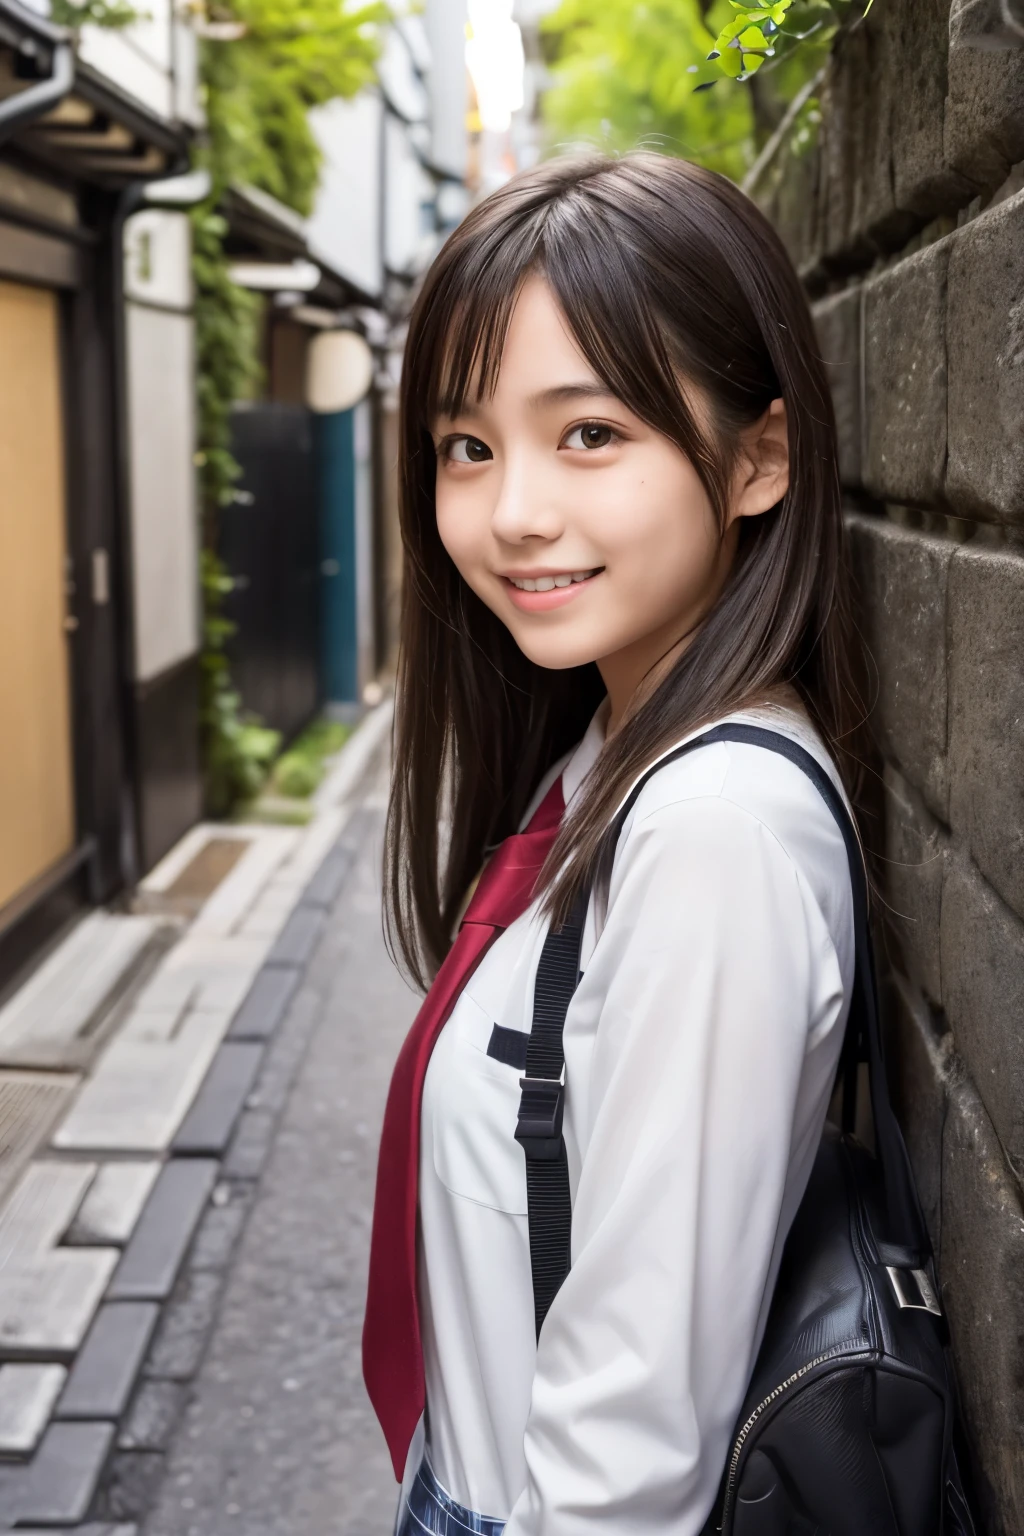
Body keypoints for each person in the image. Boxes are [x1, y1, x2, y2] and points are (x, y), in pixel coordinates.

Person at [363, 152, 858, 1536]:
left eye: (588, 434)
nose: (512, 509)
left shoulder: (716, 833)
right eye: (469, 445)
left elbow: (634, 1446)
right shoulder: (613, 757)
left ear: (759, 457)